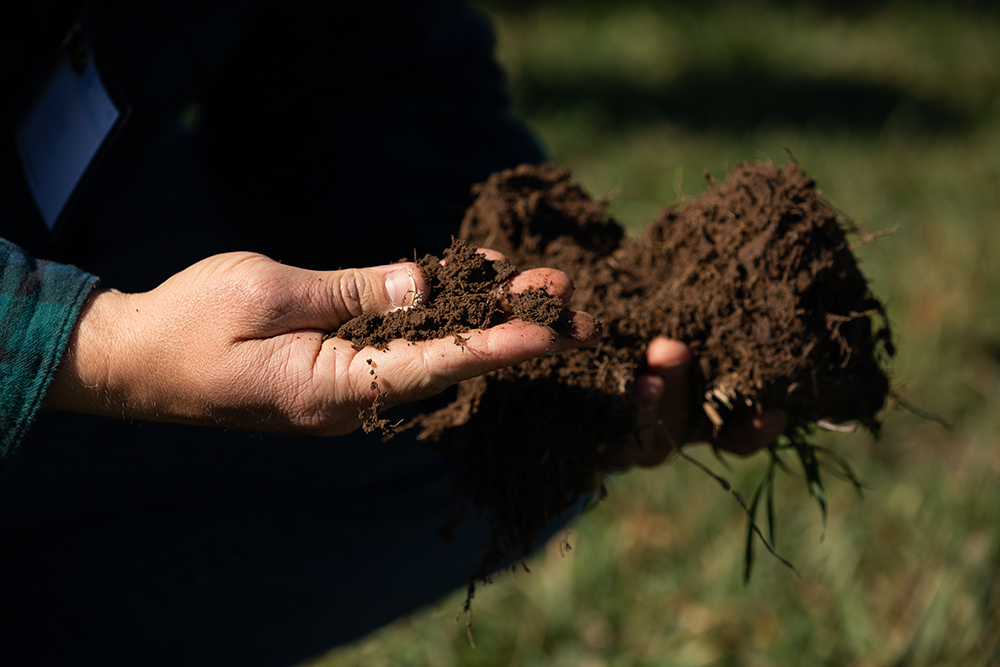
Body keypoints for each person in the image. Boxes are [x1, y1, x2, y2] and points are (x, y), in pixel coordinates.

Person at [0, 2, 785, 665]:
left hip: (62, 207)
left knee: (502, 430)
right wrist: (102, 343)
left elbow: (380, 60)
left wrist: (582, 285)